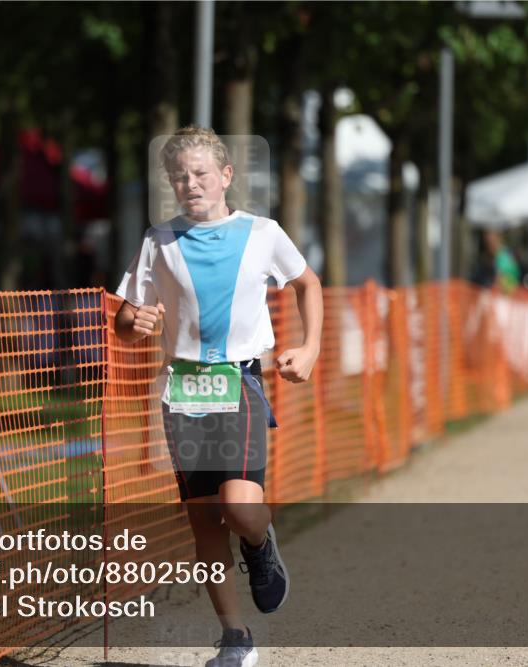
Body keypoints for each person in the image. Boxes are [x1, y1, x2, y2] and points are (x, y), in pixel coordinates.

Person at [114, 126, 323, 667]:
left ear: (227, 175)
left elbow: (308, 283)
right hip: (180, 389)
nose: (190, 184)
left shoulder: (263, 233)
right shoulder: (157, 241)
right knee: (205, 521)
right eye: (179, 176)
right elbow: (125, 315)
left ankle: (261, 543)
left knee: (239, 509)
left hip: (240, 380)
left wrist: (310, 346)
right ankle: (236, 640)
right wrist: (133, 320)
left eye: (201, 173)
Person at [484, 230, 520, 294]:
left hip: (507, 294)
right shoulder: (504, 254)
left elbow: (501, 277)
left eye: (489, 243)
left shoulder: (502, 256)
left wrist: (492, 291)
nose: (488, 247)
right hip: (509, 293)